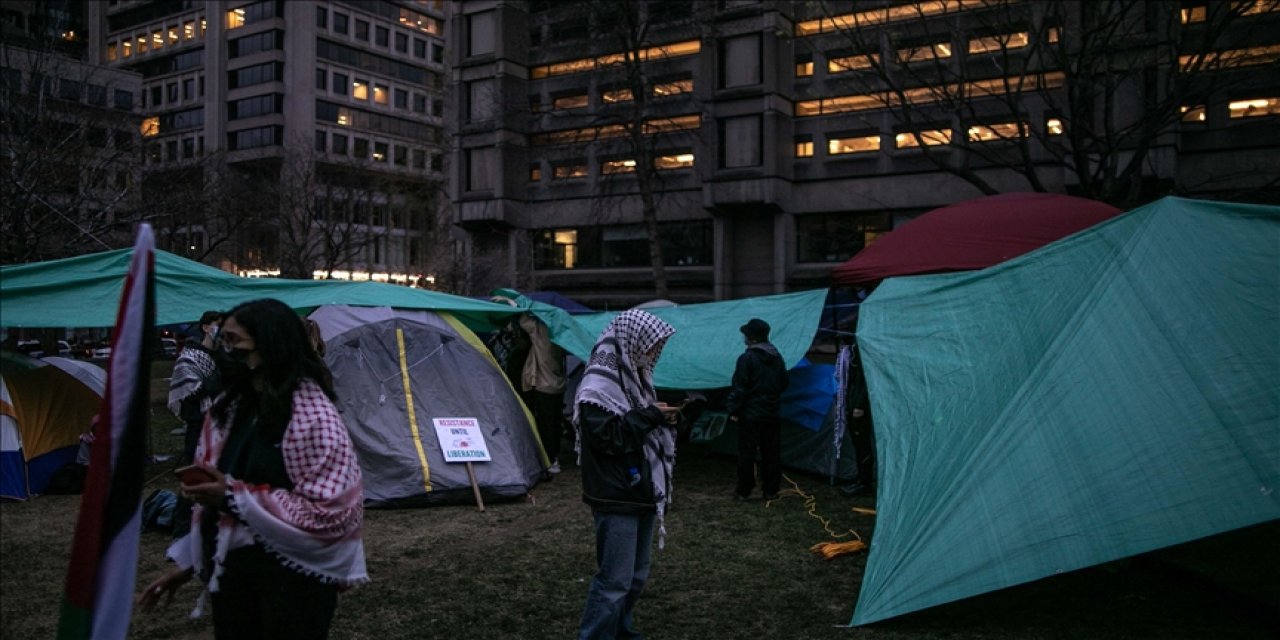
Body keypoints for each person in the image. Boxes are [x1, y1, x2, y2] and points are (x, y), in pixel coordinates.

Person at [138, 299, 367, 639]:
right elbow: (216, 498)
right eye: (222, 338)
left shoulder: (315, 419)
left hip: (294, 580)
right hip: (232, 572)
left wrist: (231, 495)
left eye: (234, 342)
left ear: (270, 345)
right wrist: (190, 562)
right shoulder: (229, 409)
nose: (225, 350)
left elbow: (331, 513)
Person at [574, 309, 679, 640]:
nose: (652, 353)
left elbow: (635, 426)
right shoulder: (597, 386)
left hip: (639, 489)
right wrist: (650, 416)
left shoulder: (634, 380)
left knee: (635, 575)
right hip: (615, 492)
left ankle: (620, 630)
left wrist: (663, 418)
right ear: (630, 341)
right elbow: (607, 438)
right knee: (615, 580)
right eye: (650, 345)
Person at [166, 310, 223, 538]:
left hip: (218, 422)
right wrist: (216, 379)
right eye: (218, 325)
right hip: (198, 422)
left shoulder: (221, 355)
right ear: (206, 327)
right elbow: (189, 390)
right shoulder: (190, 356)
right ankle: (182, 526)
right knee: (193, 470)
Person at [725, 318, 789, 501]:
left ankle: (744, 490)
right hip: (772, 412)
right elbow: (784, 382)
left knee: (747, 453)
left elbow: (739, 388)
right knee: (771, 452)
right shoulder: (776, 357)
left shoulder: (747, 358)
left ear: (751, 337)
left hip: (751, 414)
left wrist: (734, 411)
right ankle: (771, 490)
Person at [519, 313, 567, 474]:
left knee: (545, 425)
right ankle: (552, 458)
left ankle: (549, 459)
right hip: (556, 384)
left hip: (543, 385)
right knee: (553, 424)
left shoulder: (543, 334)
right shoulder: (562, 335)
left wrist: (519, 306)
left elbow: (526, 322)